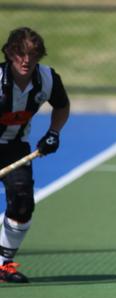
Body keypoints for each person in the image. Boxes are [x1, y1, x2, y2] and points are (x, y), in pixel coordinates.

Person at [0, 27, 70, 283]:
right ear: (9, 53)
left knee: (22, 203)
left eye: (32, 54)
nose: (26, 59)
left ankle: (3, 264)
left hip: (16, 146)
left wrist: (54, 132)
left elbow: (62, 106)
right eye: (20, 53)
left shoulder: (47, 79)